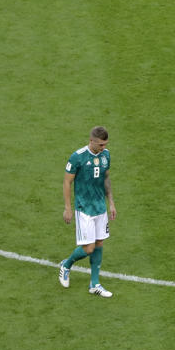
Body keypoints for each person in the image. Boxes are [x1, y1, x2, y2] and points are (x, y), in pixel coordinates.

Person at [58, 126, 117, 298]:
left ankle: (94, 284)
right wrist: (68, 208)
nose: (103, 148)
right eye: (100, 144)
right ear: (91, 141)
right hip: (84, 209)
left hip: (100, 208)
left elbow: (106, 178)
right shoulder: (78, 157)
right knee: (89, 248)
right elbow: (67, 182)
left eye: (105, 144)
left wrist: (111, 203)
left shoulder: (106, 155)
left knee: (99, 243)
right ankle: (66, 265)